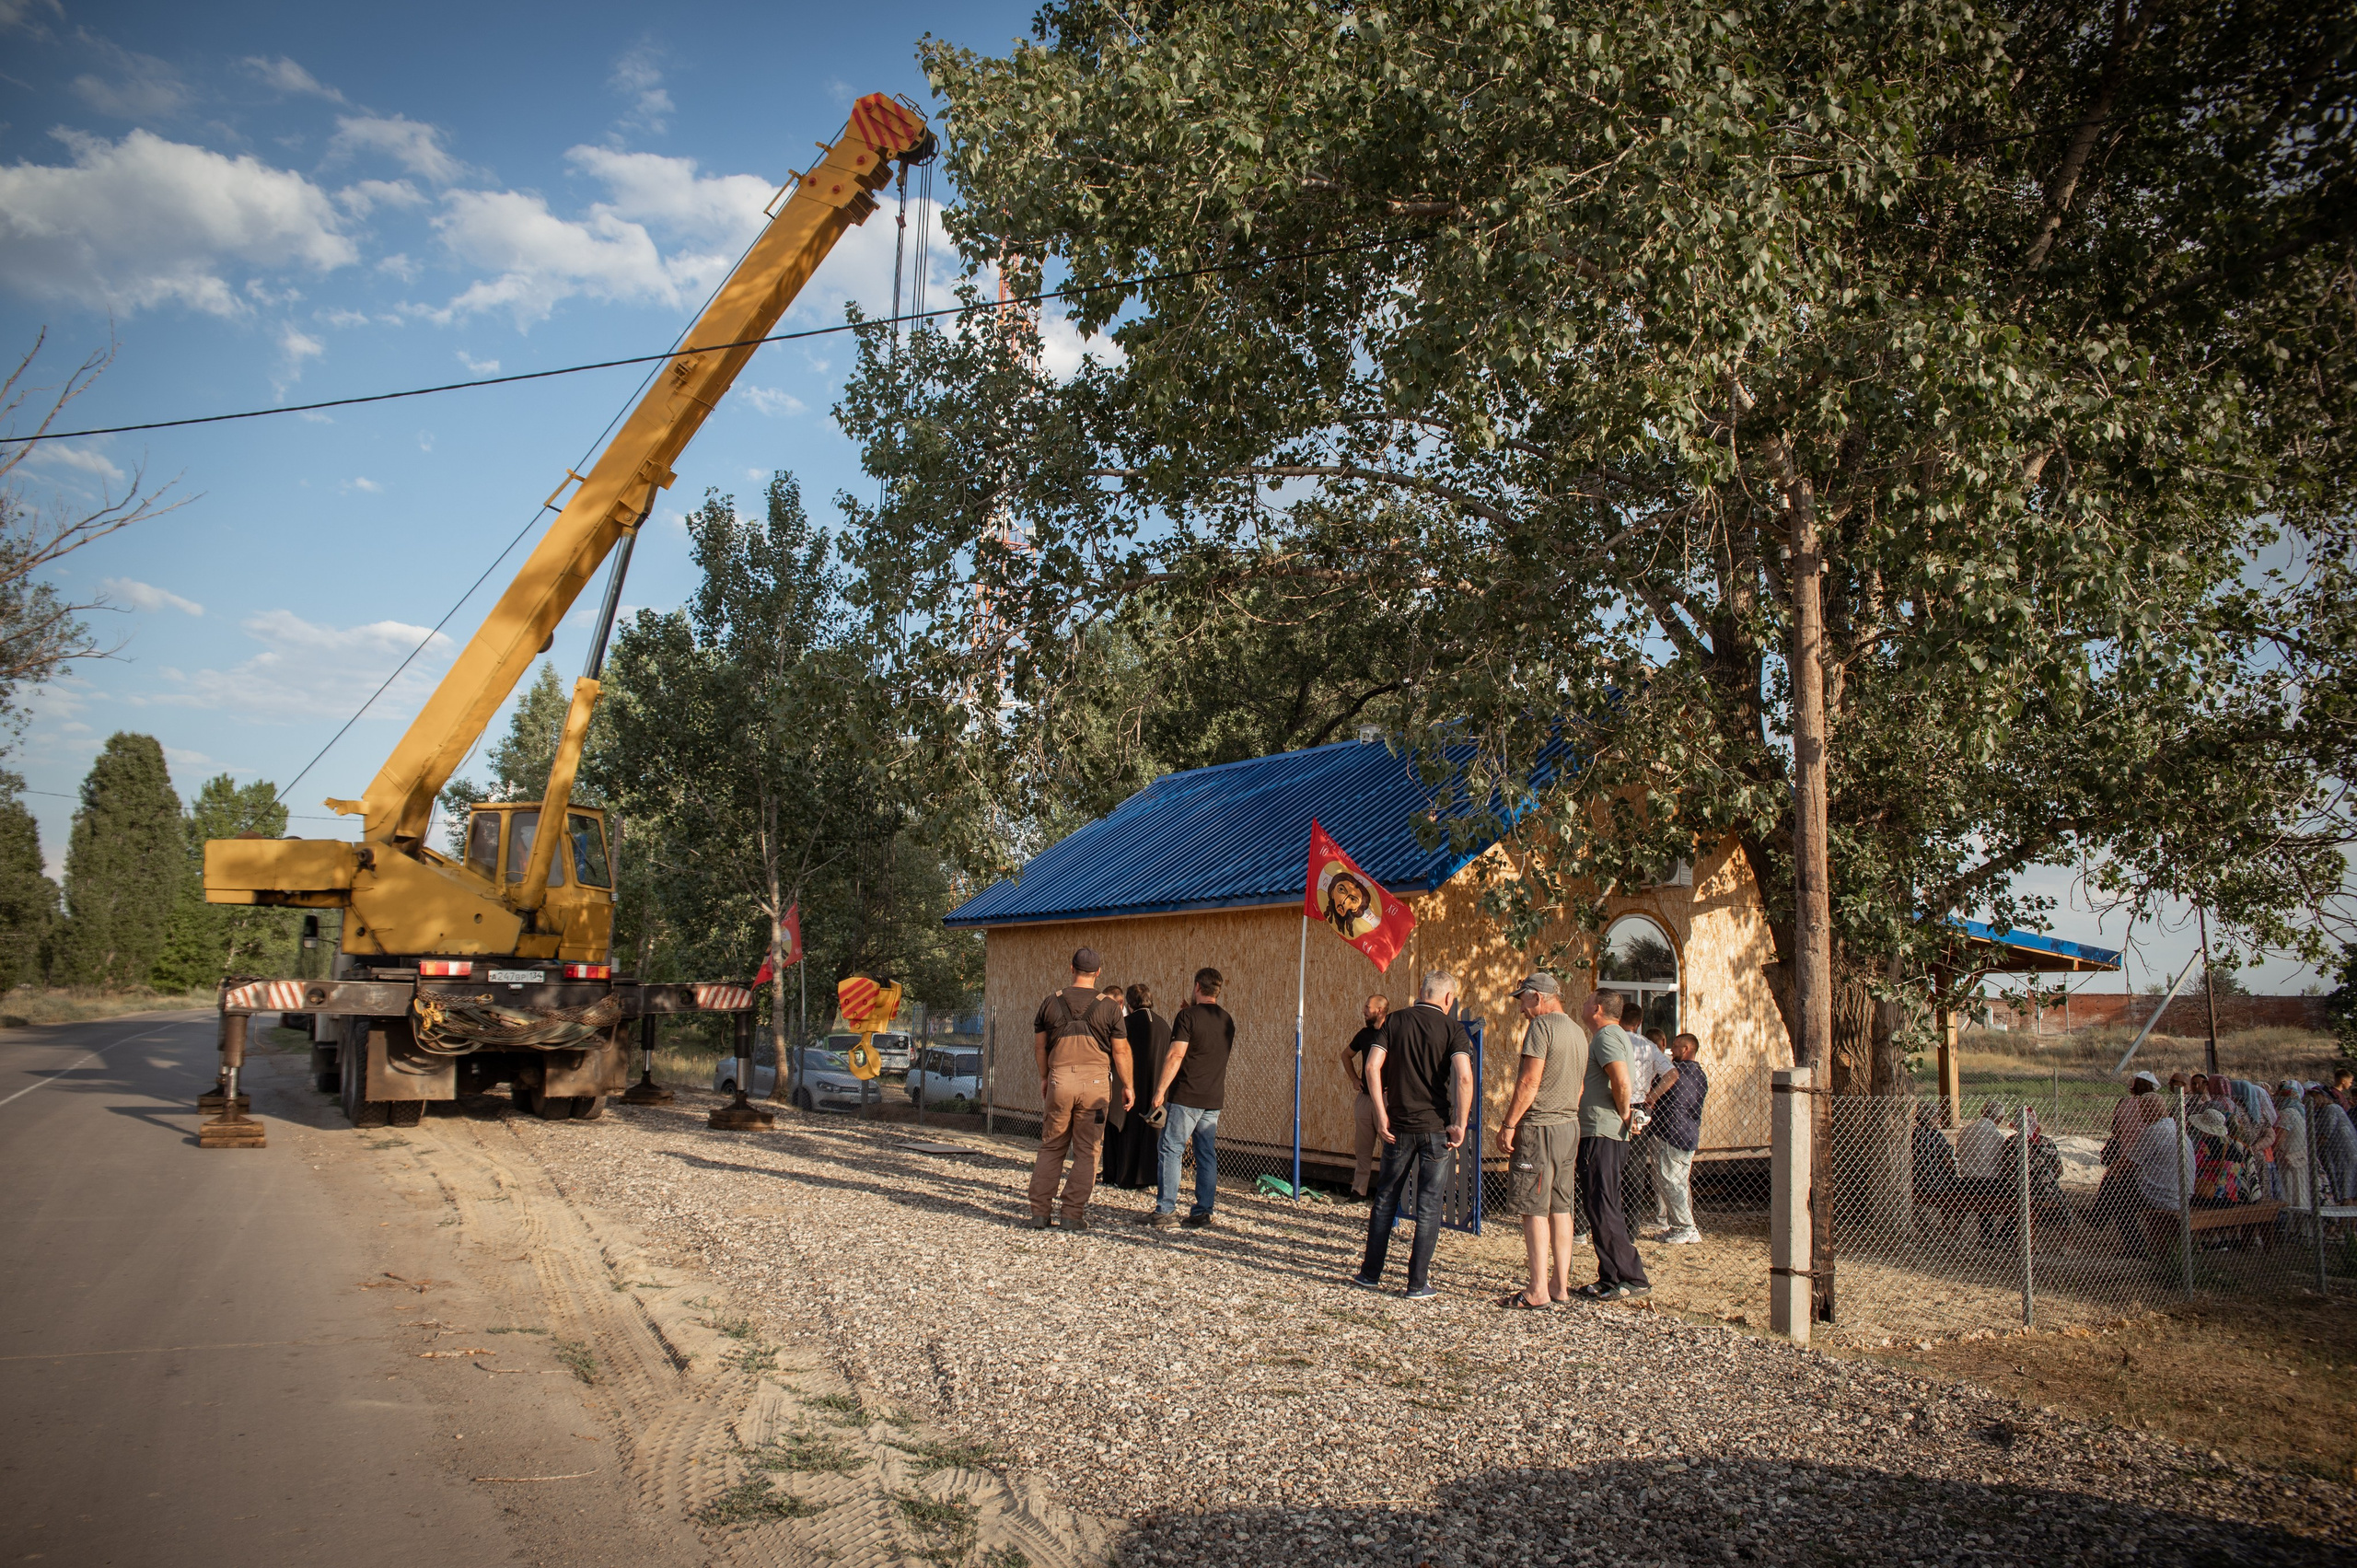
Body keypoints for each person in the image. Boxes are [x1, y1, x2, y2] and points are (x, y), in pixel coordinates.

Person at [1350, 970, 1475, 1301]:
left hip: (1399, 1126)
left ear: (1421, 992)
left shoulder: (1395, 1021)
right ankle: (1417, 1283)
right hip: (1436, 1128)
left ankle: (1370, 1274)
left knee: (1385, 1199)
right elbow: (1464, 1077)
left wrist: (1381, 1114)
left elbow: (1371, 1066)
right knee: (1429, 1205)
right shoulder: (1453, 1029)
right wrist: (1460, 1122)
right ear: (1448, 998)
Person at [1027, 948, 1133, 1230]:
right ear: (1098, 973)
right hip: (1095, 1086)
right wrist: (1128, 1086)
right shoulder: (1109, 1007)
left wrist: (1045, 1077)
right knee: (1087, 1151)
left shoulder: (1050, 1002)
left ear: (1071, 968)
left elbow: (1040, 1047)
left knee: (1052, 1147)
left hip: (1059, 1080)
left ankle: (1040, 1212)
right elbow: (1121, 1052)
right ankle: (1072, 1214)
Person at [1495, 972, 1585, 1307]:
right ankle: (1560, 1285)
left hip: (1540, 1127)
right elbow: (1580, 1087)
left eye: (1523, 1000)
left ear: (1537, 996)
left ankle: (1537, 1290)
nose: (1521, 1008)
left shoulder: (1541, 1027)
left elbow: (1529, 1081)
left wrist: (1509, 1124)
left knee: (1533, 1207)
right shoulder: (1577, 1031)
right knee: (1561, 1207)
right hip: (1569, 1126)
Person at [1568, 987, 1649, 1300]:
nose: (1584, 1003)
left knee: (1603, 1205)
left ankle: (1632, 1276)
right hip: (1600, 1132)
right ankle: (1611, 1276)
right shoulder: (1609, 1037)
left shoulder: (1607, 1037)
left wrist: (1625, 1115)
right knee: (1598, 1206)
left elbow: (1622, 1081)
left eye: (1588, 1000)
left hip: (1603, 1132)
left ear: (1598, 1008)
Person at [1145, 968, 1236, 1229]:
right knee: (1206, 1154)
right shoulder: (1227, 1020)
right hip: (1213, 1096)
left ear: (1197, 986)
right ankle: (1203, 1211)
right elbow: (1206, 1045)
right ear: (1217, 990)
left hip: (1187, 1094)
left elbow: (1176, 1054)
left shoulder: (1186, 1017)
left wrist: (1160, 1090)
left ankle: (1166, 1210)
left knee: (1171, 1149)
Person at [1640, 1031, 1709, 1244]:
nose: (1672, 1050)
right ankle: (1681, 1226)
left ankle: (1685, 1227)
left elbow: (1655, 1089)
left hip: (1669, 1133)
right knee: (1680, 1183)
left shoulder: (1674, 1073)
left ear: (1686, 1049)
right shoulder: (1699, 1075)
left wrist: (1651, 1097)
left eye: (1676, 1046)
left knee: (1670, 1183)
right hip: (1689, 1133)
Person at [1101, 983, 1169, 1190]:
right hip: (1156, 1088)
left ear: (1129, 1004)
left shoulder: (1125, 1025)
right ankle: (1149, 1176)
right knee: (1151, 1132)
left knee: (1125, 1129)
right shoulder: (1164, 1026)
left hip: (1128, 1087)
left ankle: (1121, 1175)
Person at [2115, 1100, 2189, 1256]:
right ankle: (2099, 1216)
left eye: (2142, 1111)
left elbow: (2130, 1161)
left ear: (2149, 1111)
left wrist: (2112, 1172)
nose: (2141, 1116)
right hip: (2182, 1194)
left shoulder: (2155, 1130)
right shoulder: (2176, 1127)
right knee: (2120, 1188)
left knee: (2117, 1196)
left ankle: (2135, 1246)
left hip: (2163, 1195)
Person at [1341, 993, 1390, 1198]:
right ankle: (1358, 1191)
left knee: (1390, 1147)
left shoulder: (1393, 1033)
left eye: (1368, 1007)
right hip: (1365, 1098)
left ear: (1380, 1010)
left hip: (1386, 1099)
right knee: (1362, 1149)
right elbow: (1346, 1055)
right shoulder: (1364, 1034)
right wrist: (1354, 1079)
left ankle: (1388, 1194)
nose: (1364, 1010)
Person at [1955, 1100, 2013, 1245]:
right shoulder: (1997, 1136)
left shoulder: (1965, 1131)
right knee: (2017, 1196)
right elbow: (2002, 1164)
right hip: (1989, 1183)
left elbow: (1958, 1155)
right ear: (2000, 1118)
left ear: (1982, 1112)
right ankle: (2003, 1234)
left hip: (1965, 1181)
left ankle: (1986, 1232)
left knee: (1983, 1186)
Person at [2308, 1086, 2357, 1202]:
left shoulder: (2330, 1110)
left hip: (2342, 1158)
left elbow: (2323, 1136)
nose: (2313, 1102)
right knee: (2349, 1193)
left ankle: (2346, 1213)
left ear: (2322, 1096)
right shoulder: (2335, 1108)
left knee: (2344, 1194)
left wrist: (2310, 1150)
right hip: (2345, 1156)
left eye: (2314, 1097)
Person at [2273, 1080, 2312, 1214]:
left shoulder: (2287, 1113)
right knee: (2301, 1191)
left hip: (2287, 1159)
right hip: (2299, 1159)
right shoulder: (2300, 1112)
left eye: (2278, 1095)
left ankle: (2293, 1222)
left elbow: (2278, 1140)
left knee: (2291, 1190)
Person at [1911, 1101, 1960, 1198]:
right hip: (1939, 1185)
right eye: (1935, 1116)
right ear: (1927, 1118)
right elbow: (1948, 1163)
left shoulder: (1914, 1133)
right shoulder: (1935, 1135)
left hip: (1919, 1184)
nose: (1938, 1119)